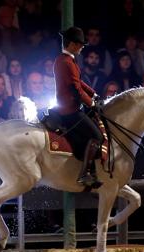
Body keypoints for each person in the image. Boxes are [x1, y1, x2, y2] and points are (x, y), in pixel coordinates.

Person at [54, 26, 103, 188]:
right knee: (97, 136)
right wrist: (92, 103)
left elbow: (79, 82)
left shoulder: (67, 60)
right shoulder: (66, 62)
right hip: (69, 110)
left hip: (71, 107)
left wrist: (93, 94)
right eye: (80, 44)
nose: (82, 47)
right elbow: (75, 89)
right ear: (73, 44)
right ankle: (85, 173)